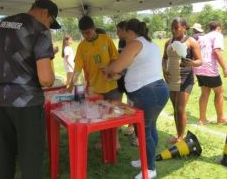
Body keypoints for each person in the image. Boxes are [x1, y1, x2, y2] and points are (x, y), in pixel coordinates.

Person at [0, 0, 58, 179]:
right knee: (31, 156)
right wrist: (52, 78)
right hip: (27, 103)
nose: (49, 26)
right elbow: (45, 79)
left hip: (1, 99)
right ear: (45, 13)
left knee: (5, 153)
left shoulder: (1, 25)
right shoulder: (40, 30)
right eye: (50, 22)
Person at [103, 18, 169, 179]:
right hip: (156, 90)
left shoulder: (134, 44)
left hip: (147, 93)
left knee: (144, 131)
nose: (123, 37)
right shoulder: (150, 43)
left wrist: (108, 69)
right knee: (150, 128)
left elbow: (117, 66)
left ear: (130, 32)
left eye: (124, 34)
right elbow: (135, 67)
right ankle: (147, 159)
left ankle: (150, 169)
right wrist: (117, 75)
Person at [70, 15, 122, 148]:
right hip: (95, 88)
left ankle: (115, 141)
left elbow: (115, 58)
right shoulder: (81, 47)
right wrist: (71, 85)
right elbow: (77, 69)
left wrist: (110, 69)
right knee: (99, 116)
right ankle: (102, 140)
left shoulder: (105, 39)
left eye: (88, 32)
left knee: (113, 114)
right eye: (83, 33)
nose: (86, 35)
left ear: (93, 28)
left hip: (111, 85)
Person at [162, 17, 202, 143]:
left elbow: (200, 61)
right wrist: (164, 70)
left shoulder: (191, 42)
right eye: (172, 28)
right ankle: (178, 135)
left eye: (176, 28)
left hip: (185, 80)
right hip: (171, 79)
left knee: (180, 109)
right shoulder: (168, 42)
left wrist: (191, 63)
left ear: (184, 27)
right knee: (175, 109)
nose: (173, 30)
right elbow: (164, 58)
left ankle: (181, 137)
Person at [194, 20, 227, 125]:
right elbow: (216, 51)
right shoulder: (217, 35)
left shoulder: (203, 37)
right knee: (219, 92)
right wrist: (225, 68)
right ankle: (221, 118)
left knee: (204, 93)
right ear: (219, 28)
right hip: (210, 68)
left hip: (199, 68)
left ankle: (202, 119)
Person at [116, 21, 135, 137]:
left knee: (131, 103)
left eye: (119, 31)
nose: (117, 33)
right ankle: (119, 123)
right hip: (121, 76)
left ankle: (132, 126)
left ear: (125, 31)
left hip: (130, 76)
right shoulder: (121, 41)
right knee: (119, 102)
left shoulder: (132, 43)